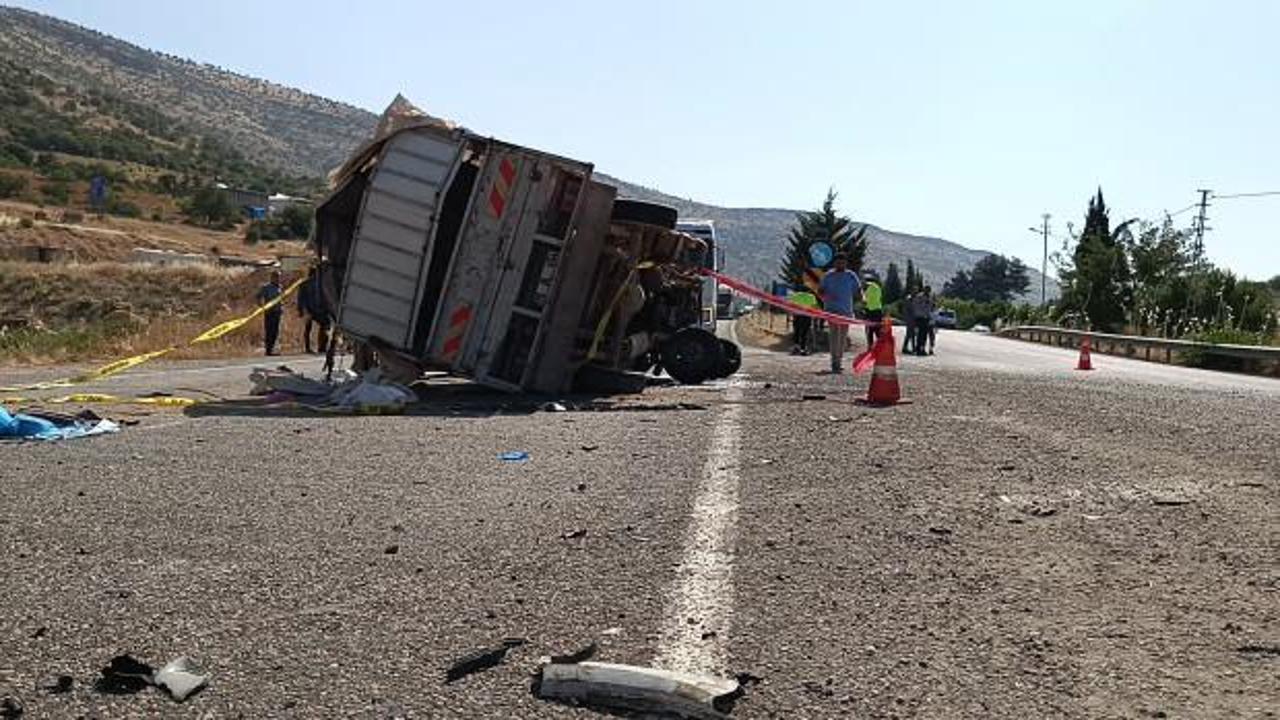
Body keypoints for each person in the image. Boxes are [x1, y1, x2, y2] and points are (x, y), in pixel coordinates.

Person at [818, 254, 861, 374]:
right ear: (834, 263)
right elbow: (820, 291)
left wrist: (862, 298)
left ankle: (839, 360)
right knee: (834, 335)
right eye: (838, 262)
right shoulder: (828, 275)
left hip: (846, 310)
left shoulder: (851, 275)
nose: (840, 264)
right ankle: (834, 362)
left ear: (846, 263)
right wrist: (826, 297)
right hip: (832, 310)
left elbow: (858, 289)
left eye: (842, 262)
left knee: (842, 337)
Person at [297, 267, 330, 355]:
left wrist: (301, 310)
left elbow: (300, 298)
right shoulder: (318, 283)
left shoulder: (307, 284)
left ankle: (314, 347)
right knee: (322, 326)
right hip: (315, 309)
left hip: (313, 309)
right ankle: (320, 347)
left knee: (313, 328)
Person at [257, 270, 284, 356]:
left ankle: (272, 349)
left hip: (277, 312)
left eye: (279, 277)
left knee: (276, 331)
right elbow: (258, 296)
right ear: (272, 278)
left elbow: (280, 298)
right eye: (276, 277)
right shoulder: (266, 287)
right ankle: (268, 350)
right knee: (269, 331)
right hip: (269, 312)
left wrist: (282, 306)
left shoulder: (280, 287)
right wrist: (261, 306)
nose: (278, 279)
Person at [790, 287, 818, 355]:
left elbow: (791, 305)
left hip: (797, 315)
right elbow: (814, 307)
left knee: (796, 331)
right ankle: (803, 348)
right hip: (806, 316)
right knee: (804, 332)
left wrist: (792, 312)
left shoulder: (795, 295)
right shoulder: (811, 296)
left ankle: (796, 346)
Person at [911, 286, 936, 357]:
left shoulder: (929, 297)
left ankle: (922, 349)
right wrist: (924, 304)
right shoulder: (919, 296)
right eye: (927, 290)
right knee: (920, 334)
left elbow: (931, 307)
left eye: (929, 291)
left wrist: (932, 305)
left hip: (926, 317)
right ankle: (919, 349)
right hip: (920, 317)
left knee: (924, 335)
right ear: (924, 290)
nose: (928, 292)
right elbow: (915, 305)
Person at [862, 271, 884, 347]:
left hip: (870, 311)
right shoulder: (878, 287)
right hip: (878, 311)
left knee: (870, 331)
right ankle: (880, 347)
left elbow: (865, 300)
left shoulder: (868, 288)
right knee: (878, 330)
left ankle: (870, 347)